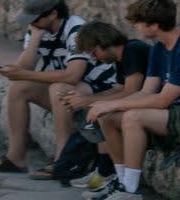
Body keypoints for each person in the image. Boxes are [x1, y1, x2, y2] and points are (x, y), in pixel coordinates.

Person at [79, 0, 180, 200]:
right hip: (176, 111)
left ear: (154, 25)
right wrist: (105, 106)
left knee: (133, 117)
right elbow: (146, 92)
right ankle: (121, 182)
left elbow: (162, 100)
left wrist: (113, 104)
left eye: (138, 22)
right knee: (107, 117)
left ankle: (130, 192)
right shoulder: (160, 48)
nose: (135, 27)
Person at [0, 0, 89, 177]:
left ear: (53, 14)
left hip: (91, 91)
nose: (31, 23)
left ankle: (62, 160)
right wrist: (35, 39)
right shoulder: (38, 29)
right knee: (18, 88)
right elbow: (25, 68)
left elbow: (73, 76)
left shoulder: (77, 30)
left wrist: (23, 73)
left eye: (34, 19)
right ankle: (15, 158)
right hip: (64, 93)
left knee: (59, 88)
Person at [49, 21, 156, 190]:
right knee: (101, 109)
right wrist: (87, 99)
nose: (94, 58)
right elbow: (119, 89)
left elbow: (131, 92)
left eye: (94, 52)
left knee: (105, 113)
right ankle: (106, 171)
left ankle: (110, 174)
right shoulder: (122, 56)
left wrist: (87, 101)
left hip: (154, 104)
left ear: (104, 42)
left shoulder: (133, 50)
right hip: (142, 103)